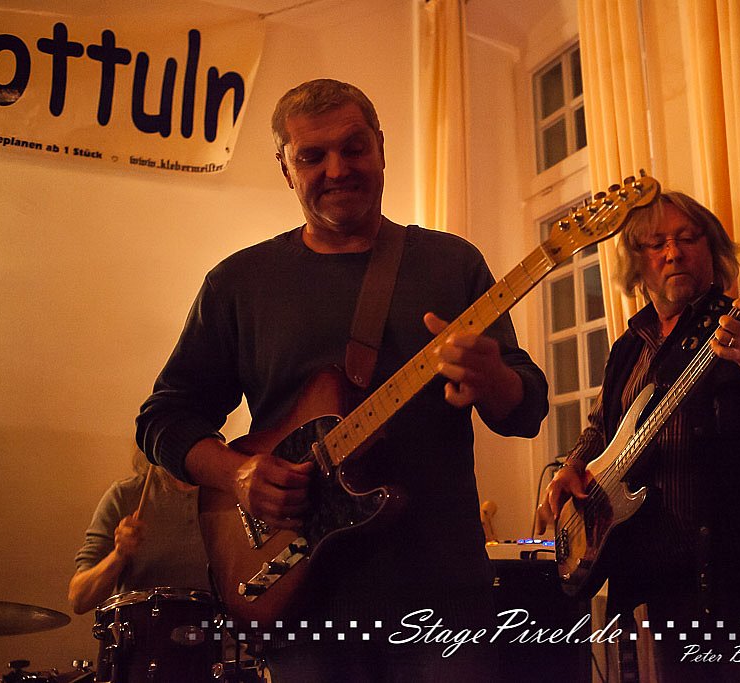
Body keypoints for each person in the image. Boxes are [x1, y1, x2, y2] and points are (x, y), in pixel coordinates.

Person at [135, 78, 548, 682]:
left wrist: (494, 377)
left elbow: (528, 409)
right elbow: (163, 418)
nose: (337, 169)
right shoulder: (237, 283)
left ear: (381, 149)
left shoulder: (452, 263)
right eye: (312, 156)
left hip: (440, 600)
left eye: (354, 148)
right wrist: (238, 475)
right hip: (302, 606)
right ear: (285, 168)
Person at [537, 190, 740, 682]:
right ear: (637, 263)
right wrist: (573, 466)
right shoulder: (629, 348)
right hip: (667, 606)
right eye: (656, 243)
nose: (673, 253)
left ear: (713, 250)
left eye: (688, 238)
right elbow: (600, 429)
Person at [69, 450, 211, 615]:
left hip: (217, 629)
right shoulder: (124, 495)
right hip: (145, 630)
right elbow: (79, 599)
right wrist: (118, 555)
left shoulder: (228, 495)